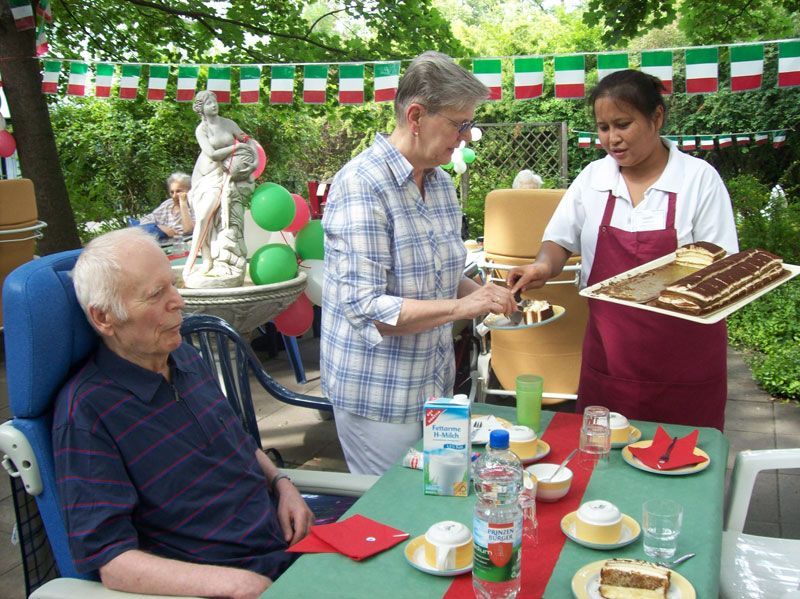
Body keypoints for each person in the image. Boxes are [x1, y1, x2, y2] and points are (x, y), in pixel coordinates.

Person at [53, 228, 313, 598]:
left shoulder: (184, 357)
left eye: (172, 285)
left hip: (288, 548)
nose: (178, 301)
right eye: (156, 294)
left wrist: (281, 484)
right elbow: (111, 561)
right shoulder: (87, 412)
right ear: (104, 317)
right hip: (228, 580)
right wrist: (237, 584)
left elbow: (235, 440)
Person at [321, 51, 517, 475]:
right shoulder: (361, 186)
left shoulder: (442, 184)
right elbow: (368, 309)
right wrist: (465, 306)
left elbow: (446, 277)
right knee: (393, 519)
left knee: (440, 503)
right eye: (459, 123)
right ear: (415, 115)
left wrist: (487, 294)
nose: (467, 135)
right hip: (380, 397)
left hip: (436, 385)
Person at [508, 69, 738, 431]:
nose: (612, 139)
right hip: (611, 361)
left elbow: (719, 270)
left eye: (623, 124)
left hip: (686, 364)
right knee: (604, 462)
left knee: (682, 462)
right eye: (603, 127)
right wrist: (540, 267)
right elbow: (559, 241)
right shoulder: (593, 179)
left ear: (656, 117)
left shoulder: (698, 179)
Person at [183, 90, 258, 286]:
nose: (214, 105)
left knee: (218, 216)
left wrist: (254, 157)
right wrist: (237, 148)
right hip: (204, 176)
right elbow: (212, 153)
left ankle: (217, 261)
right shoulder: (202, 129)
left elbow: (246, 139)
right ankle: (198, 261)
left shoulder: (229, 124)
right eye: (208, 103)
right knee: (202, 217)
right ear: (201, 109)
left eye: (215, 101)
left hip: (222, 174)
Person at [138, 172, 195, 239]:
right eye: (172, 192)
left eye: (178, 191)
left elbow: (189, 230)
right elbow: (144, 221)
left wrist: (183, 204)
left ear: (189, 191)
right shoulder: (168, 204)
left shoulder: (194, 206)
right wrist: (160, 227)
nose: (174, 196)